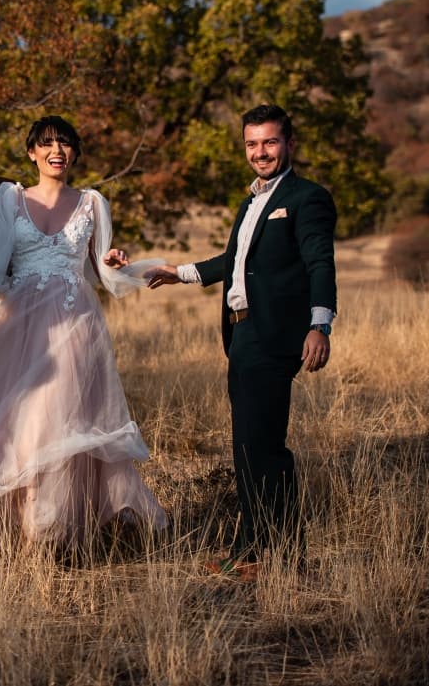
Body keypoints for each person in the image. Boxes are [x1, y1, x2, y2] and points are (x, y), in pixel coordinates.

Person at [0, 116, 168, 548]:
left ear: (74, 153)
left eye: (65, 144)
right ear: (33, 153)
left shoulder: (92, 203)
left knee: (56, 424)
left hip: (73, 326)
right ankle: (19, 528)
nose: (57, 151)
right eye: (47, 144)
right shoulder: (10, 198)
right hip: (15, 327)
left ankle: (51, 529)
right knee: (17, 424)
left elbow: (100, 269)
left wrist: (113, 260)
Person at [145, 103, 337, 581]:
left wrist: (320, 325)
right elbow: (233, 260)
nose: (260, 152)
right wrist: (180, 274)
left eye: (270, 142)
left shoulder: (306, 198)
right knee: (248, 448)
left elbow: (320, 264)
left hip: (275, 335)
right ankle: (256, 550)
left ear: (289, 144)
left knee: (265, 448)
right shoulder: (249, 202)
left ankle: (281, 556)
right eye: (252, 144)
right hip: (242, 332)